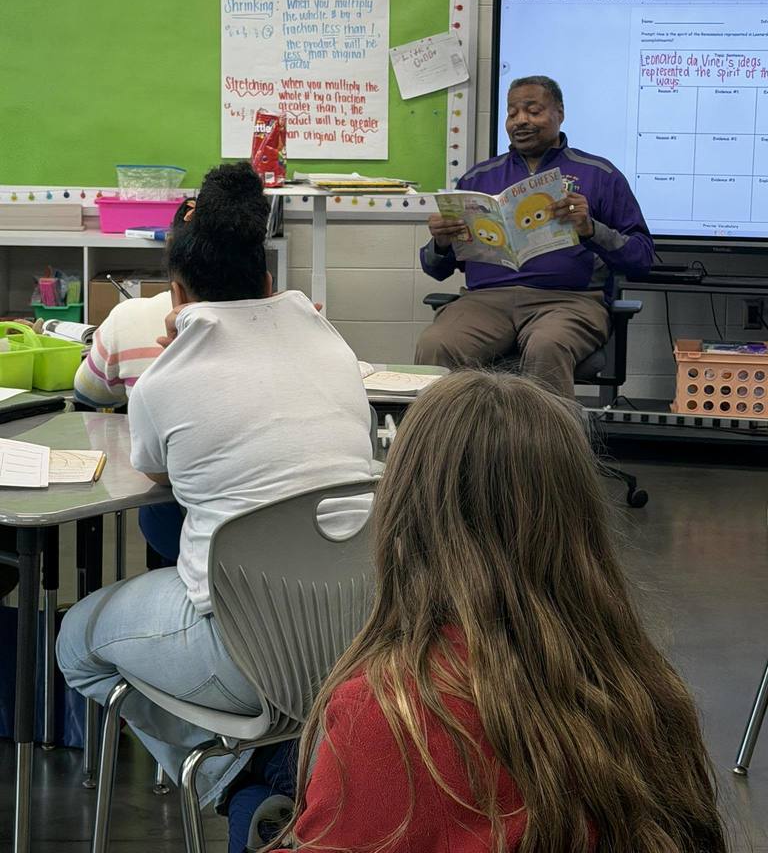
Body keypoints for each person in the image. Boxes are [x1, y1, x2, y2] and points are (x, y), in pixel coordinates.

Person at [272, 370, 727, 853]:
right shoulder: (644, 691)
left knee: (250, 792)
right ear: (577, 519)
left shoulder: (389, 715)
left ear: (404, 514)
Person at [57, 164, 375, 828]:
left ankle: (240, 785)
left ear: (176, 293)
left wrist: (181, 356)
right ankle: (282, 766)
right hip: (362, 634)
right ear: (268, 282)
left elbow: (161, 482)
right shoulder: (332, 343)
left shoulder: (164, 381)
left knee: (75, 644)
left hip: (243, 653)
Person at [416, 75, 654, 397]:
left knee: (547, 345)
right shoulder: (478, 178)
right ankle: (444, 446)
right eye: (512, 113)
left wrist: (591, 229)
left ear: (560, 113)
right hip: (485, 302)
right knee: (436, 345)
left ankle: (548, 447)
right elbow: (436, 269)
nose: (521, 121)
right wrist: (442, 243)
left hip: (569, 302)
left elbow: (642, 257)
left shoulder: (599, 174)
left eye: (533, 110)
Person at [73, 194, 203, 563]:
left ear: (176, 289)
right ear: (265, 279)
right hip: (300, 555)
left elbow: (88, 392)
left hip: (181, 534)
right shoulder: (308, 333)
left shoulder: (132, 321)